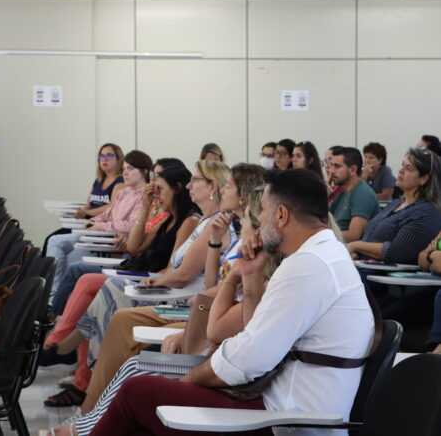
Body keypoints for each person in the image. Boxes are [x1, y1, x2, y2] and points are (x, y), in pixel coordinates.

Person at [84, 169, 375, 436]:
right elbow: (258, 336)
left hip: (286, 418)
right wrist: (249, 277)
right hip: (288, 405)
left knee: (139, 391)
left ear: (282, 215)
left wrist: (191, 379)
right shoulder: (326, 255)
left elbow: (250, 358)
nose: (259, 222)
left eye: (263, 211)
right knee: (149, 395)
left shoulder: (307, 266)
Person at [45, 183, 274, 436]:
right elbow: (142, 250)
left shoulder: (249, 261)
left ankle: (80, 398)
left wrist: (228, 281)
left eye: (197, 180)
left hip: (201, 326)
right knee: (113, 307)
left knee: (129, 349)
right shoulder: (196, 225)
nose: (190, 185)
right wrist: (214, 243)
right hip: (198, 314)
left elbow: (212, 315)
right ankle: (82, 398)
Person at [42, 163, 200, 407]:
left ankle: (64, 346)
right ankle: (78, 370)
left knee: (96, 286)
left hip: (153, 282)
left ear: (177, 189)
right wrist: (147, 208)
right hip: (139, 272)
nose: (155, 193)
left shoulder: (189, 222)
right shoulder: (166, 217)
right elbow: (134, 247)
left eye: (160, 188)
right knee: (90, 285)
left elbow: (173, 271)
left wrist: (154, 278)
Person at [47, 150, 152, 300]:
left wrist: (101, 226)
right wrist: (92, 222)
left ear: (144, 171)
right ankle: (53, 298)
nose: (125, 173)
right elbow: (108, 214)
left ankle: (53, 299)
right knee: (59, 245)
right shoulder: (124, 192)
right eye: (124, 170)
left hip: (111, 242)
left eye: (130, 169)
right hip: (102, 236)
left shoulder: (145, 196)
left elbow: (130, 225)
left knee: (60, 246)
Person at [348, 148, 441, 264]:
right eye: (402, 166)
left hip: (386, 278)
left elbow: (398, 252)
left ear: (424, 179)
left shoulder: (427, 212)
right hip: (365, 267)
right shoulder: (396, 204)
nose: (401, 171)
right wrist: (356, 251)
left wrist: (357, 246)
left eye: (409, 168)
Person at [41, 143, 125, 256]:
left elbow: (112, 207)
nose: (104, 159)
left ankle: (54, 273)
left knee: (56, 242)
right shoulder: (98, 181)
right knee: (50, 238)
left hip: (100, 227)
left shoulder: (120, 182)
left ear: (119, 159)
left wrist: (87, 213)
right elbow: (88, 204)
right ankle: (47, 272)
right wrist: (78, 212)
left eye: (109, 155)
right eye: (101, 156)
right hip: (85, 223)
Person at [329, 146, 379, 242]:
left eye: (337, 166)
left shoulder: (363, 194)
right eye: (331, 165)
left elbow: (353, 235)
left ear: (352, 170)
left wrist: (324, 238)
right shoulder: (342, 191)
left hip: (348, 252)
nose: (331, 171)